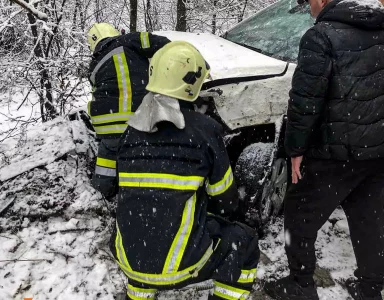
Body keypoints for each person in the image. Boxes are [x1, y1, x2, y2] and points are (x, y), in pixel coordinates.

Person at [109, 41, 260, 300]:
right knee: (244, 240)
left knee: (143, 229)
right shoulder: (205, 130)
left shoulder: (130, 131)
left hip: (128, 258)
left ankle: (138, 293)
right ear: (192, 84)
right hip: (181, 265)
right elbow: (225, 199)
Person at [264, 0, 384, 299]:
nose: (308, 8)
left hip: (333, 154)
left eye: (309, 2)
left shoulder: (321, 36)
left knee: (299, 215)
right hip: (377, 151)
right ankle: (370, 288)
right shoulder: (380, 27)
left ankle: (300, 284)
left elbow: (306, 101)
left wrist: (295, 150)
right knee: (370, 219)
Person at [86, 23, 170, 199]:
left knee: (108, 156)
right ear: (115, 33)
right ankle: (143, 195)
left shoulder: (93, 65)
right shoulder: (130, 40)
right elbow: (163, 44)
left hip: (105, 126)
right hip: (135, 121)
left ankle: (102, 193)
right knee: (145, 157)